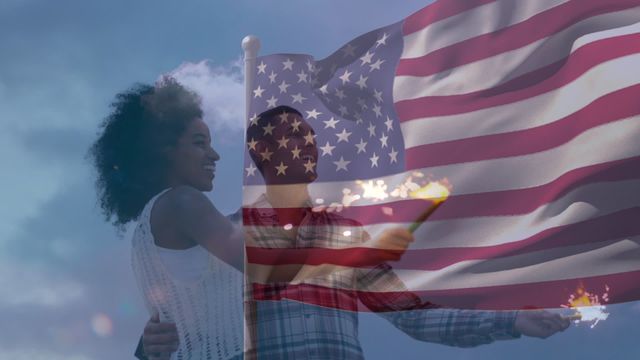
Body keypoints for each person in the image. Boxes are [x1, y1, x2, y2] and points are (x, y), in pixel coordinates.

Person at [142, 106, 571, 359]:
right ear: (261, 154)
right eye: (291, 139)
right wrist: (148, 350)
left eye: (308, 138)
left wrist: (512, 320)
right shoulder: (224, 236)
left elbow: (413, 316)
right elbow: (185, 334)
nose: (306, 147)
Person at [90, 78, 245, 360]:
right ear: (163, 149)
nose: (215, 154)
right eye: (200, 143)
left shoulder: (154, 221)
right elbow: (264, 263)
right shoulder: (182, 202)